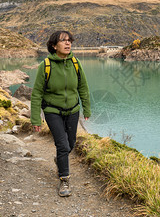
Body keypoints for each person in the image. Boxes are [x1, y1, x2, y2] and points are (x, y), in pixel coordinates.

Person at [30, 30, 91, 197]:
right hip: (52, 111)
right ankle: (64, 179)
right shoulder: (46, 66)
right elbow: (37, 94)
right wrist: (35, 118)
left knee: (70, 143)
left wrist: (86, 108)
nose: (68, 43)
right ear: (53, 45)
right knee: (62, 145)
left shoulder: (76, 63)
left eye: (69, 40)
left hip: (72, 110)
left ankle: (60, 159)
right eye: (63, 41)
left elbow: (83, 88)